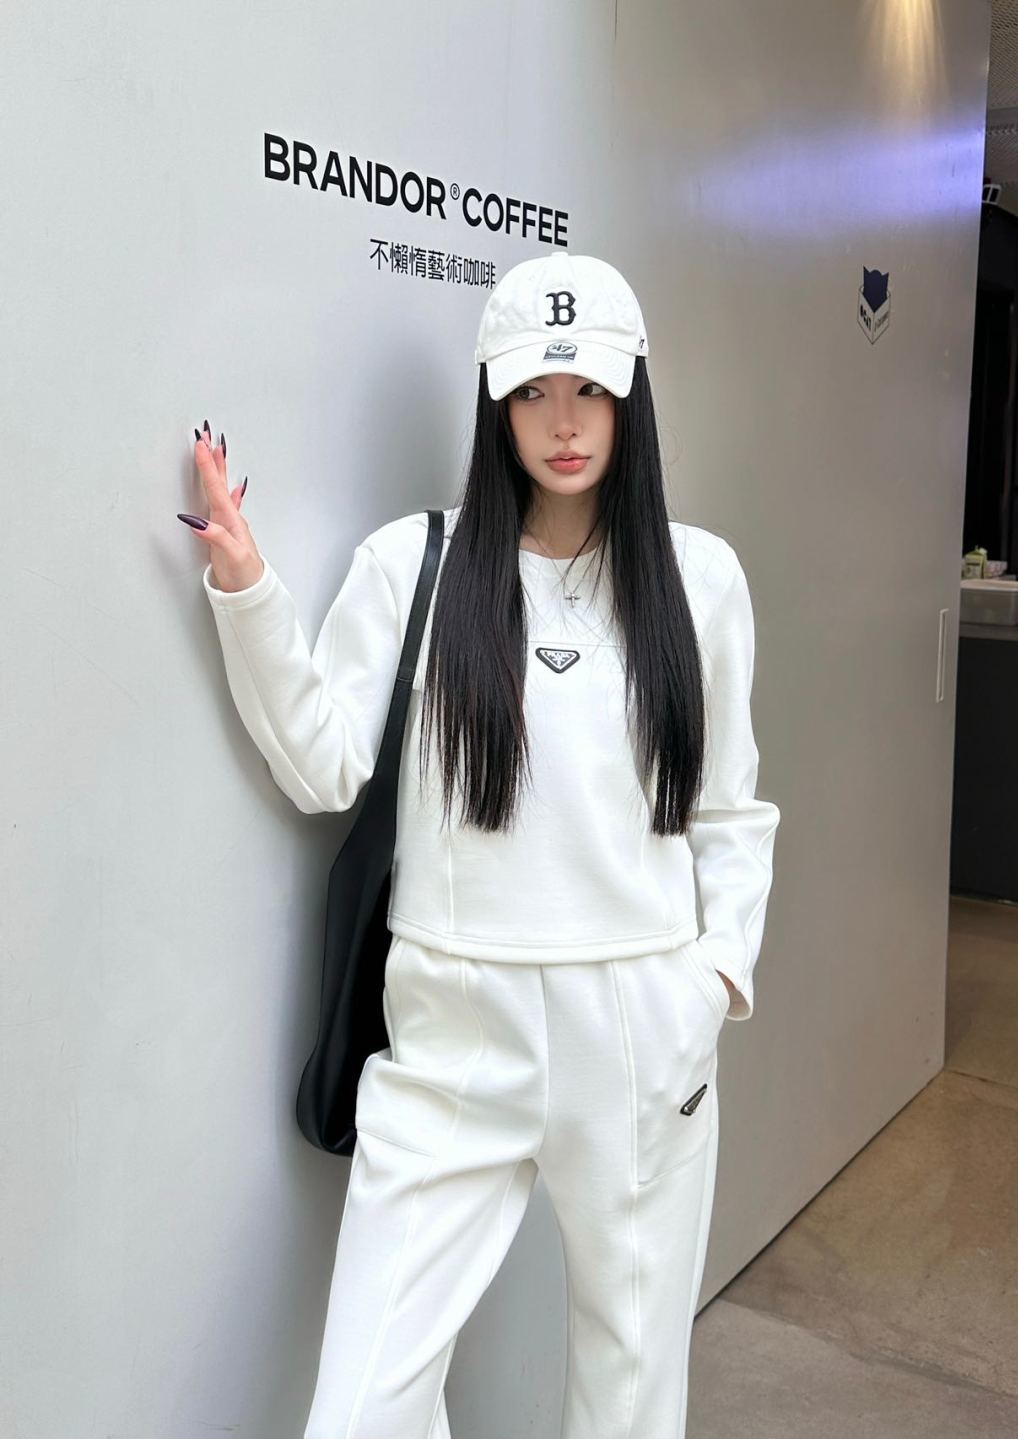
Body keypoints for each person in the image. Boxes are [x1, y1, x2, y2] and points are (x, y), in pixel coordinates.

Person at [177, 253, 781, 1439]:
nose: (564, 423)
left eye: (590, 388)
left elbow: (728, 809)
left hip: (640, 1021)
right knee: (364, 1405)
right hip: (453, 1024)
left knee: (631, 1388)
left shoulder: (699, 578)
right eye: (533, 392)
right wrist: (247, 589)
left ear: (631, 393)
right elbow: (324, 764)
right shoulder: (415, 562)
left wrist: (709, 980)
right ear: (495, 403)